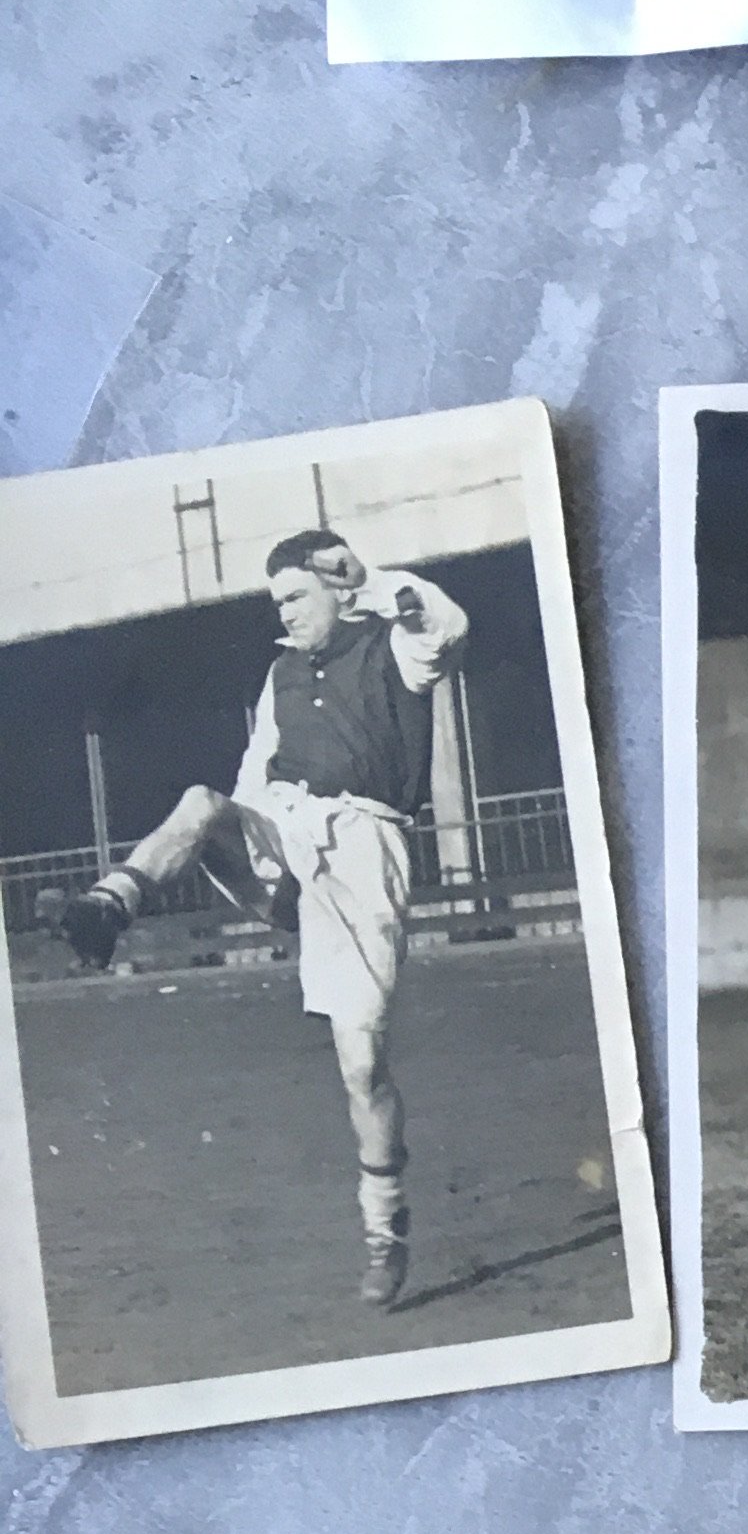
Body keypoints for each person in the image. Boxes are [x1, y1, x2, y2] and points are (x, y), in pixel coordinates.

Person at [57, 529, 471, 1308]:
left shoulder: (396, 647)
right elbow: (254, 777)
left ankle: (385, 1230)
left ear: (338, 589)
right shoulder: (279, 673)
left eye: (295, 596)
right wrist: (249, 846)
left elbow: (445, 626)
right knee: (202, 804)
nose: (282, 613)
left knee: (363, 1067)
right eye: (275, 600)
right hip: (281, 835)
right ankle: (109, 903)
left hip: (360, 855)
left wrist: (373, 577)